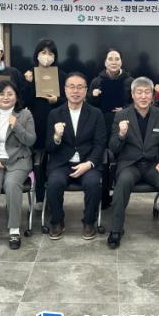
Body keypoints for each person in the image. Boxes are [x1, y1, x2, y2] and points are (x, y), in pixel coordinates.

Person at [107, 77, 159, 250]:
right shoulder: (121, 115)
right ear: (133, 95)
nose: (143, 96)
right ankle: (116, 230)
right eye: (139, 92)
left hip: (154, 165)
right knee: (122, 182)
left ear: (152, 95)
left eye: (147, 92)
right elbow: (113, 148)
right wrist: (121, 134)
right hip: (129, 165)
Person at [45, 72, 106, 240]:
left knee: (93, 183)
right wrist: (57, 137)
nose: (75, 91)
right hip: (62, 163)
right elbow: (49, 147)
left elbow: (100, 143)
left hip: (87, 162)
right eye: (71, 87)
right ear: (65, 90)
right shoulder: (55, 114)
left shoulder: (96, 113)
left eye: (80, 87)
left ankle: (89, 222)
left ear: (86, 90)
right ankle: (57, 221)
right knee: (54, 183)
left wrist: (90, 163)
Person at [0, 80, 36, 250]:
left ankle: (14, 229)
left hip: (18, 160)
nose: (6, 97)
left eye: (10, 94)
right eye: (1, 94)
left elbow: (31, 141)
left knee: (11, 184)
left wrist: (17, 126)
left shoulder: (25, 115)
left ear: (16, 97)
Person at [23, 39, 67, 210]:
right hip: (37, 124)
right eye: (43, 53)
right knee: (39, 163)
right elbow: (23, 102)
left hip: (57, 124)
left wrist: (57, 100)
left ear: (55, 56)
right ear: (37, 55)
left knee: (55, 161)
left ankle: (55, 198)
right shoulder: (30, 74)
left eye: (50, 53)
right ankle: (40, 197)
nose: (46, 56)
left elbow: (69, 99)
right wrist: (28, 83)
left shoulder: (61, 75)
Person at [88, 48, 134, 208]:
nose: (114, 62)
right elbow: (89, 106)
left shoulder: (130, 81)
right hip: (102, 125)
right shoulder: (96, 81)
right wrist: (92, 96)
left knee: (120, 159)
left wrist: (125, 109)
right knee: (103, 160)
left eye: (117, 58)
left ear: (121, 61)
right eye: (110, 59)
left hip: (123, 125)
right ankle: (104, 196)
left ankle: (119, 194)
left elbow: (137, 103)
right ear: (105, 62)